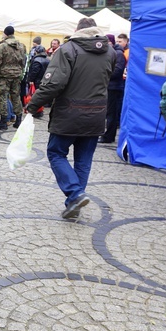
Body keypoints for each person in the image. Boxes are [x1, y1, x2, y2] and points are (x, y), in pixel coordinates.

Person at [25, 17, 115, 219]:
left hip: (70, 113)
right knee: (84, 160)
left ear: (77, 30)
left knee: (56, 153)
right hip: (97, 113)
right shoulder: (109, 51)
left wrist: (32, 105)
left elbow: (53, 84)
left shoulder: (68, 50)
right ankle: (74, 202)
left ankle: (75, 194)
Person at [0, 25, 26, 130]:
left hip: (4, 76)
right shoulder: (20, 45)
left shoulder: (3, 46)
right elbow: (23, 61)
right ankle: (18, 120)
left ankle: (3, 121)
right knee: (16, 97)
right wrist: (20, 73)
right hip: (16, 75)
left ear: (5, 33)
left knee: (2, 97)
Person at [99, 34, 126, 144]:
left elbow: (117, 71)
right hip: (110, 86)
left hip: (114, 88)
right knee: (109, 112)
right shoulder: (112, 53)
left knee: (112, 113)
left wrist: (103, 74)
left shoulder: (118, 54)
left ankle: (109, 136)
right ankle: (107, 134)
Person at [26, 45, 50, 118]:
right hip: (44, 80)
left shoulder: (36, 60)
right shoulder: (48, 60)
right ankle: (40, 111)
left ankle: (37, 112)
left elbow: (34, 72)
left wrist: (31, 80)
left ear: (36, 52)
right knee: (41, 97)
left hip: (37, 81)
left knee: (35, 97)